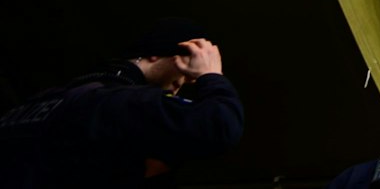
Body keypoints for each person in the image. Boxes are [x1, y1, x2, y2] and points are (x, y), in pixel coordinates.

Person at [0, 17, 243, 188]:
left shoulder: (42, 101)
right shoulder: (120, 102)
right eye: (185, 67)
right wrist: (210, 75)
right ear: (157, 53)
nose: (184, 81)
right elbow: (219, 125)